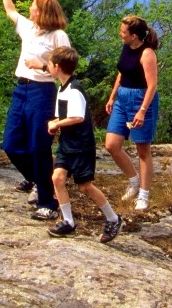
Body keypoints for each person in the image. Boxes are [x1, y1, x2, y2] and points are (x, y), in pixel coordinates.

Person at [0, 0, 70, 221]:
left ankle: (47, 203)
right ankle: (38, 180)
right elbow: (10, 10)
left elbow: (68, 66)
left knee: (39, 147)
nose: (30, 8)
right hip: (21, 89)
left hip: (42, 92)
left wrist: (44, 66)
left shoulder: (58, 36)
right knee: (11, 144)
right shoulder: (28, 27)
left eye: (34, 6)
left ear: (43, 11)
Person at [45, 46, 123, 243]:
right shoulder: (62, 88)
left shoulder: (74, 89)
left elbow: (77, 117)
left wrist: (57, 123)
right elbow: (63, 116)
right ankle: (68, 221)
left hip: (81, 146)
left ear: (57, 67)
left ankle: (113, 218)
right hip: (67, 143)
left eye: (49, 64)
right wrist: (56, 126)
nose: (47, 68)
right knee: (57, 178)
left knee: (85, 186)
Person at [104, 15, 160, 211]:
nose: (120, 34)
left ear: (134, 35)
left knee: (142, 150)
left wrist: (142, 111)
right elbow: (122, 73)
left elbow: (152, 85)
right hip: (122, 98)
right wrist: (112, 97)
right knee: (111, 144)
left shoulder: (147, 53)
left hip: (141, 99)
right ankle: (134, 181)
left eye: (123, 32)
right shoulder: (126, 47)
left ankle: (144, 194)